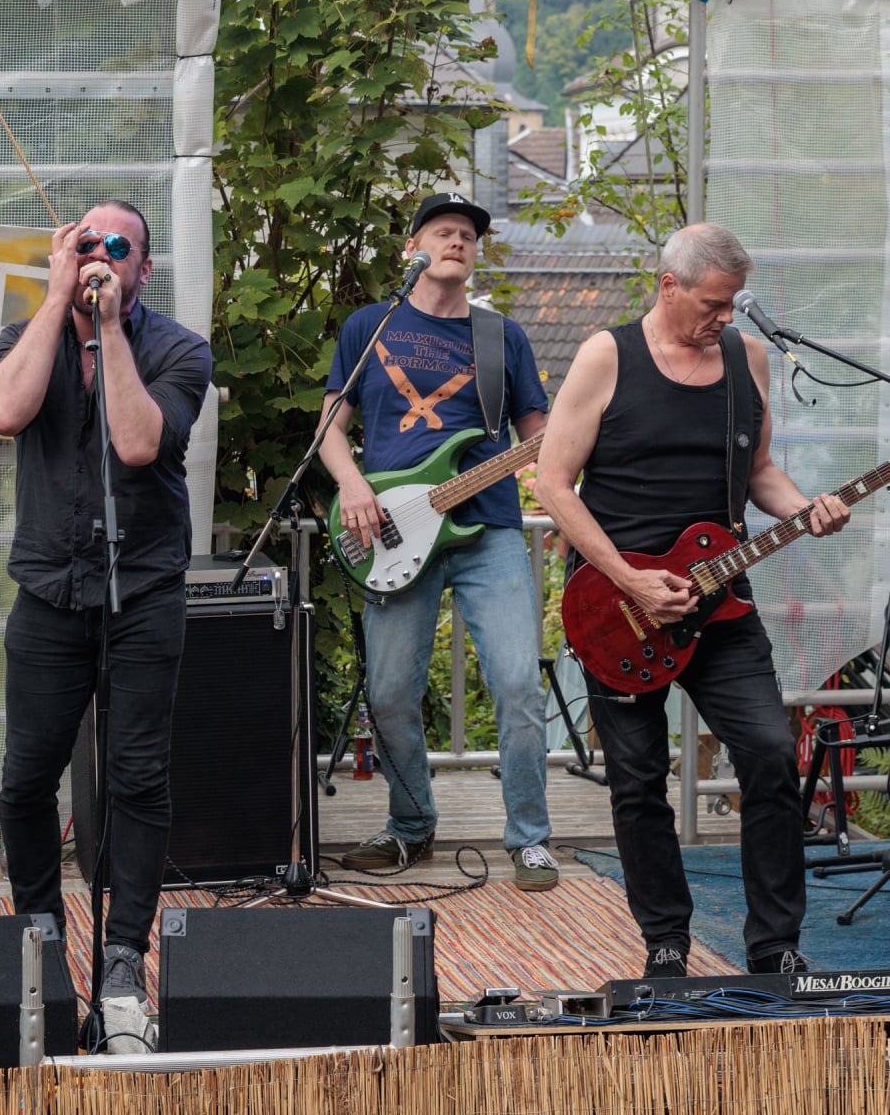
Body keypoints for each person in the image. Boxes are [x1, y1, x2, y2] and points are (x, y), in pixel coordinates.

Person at [533, 221, 850, 978]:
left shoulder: (747, 359)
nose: (725, 317)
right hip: (617, 605)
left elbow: (759, 471)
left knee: (770, 756)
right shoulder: (606, 356)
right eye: (713, 303)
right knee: (639, 778)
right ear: (668, 286)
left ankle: (774, 945)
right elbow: (551, 484)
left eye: (733, 303)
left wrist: (806, 508)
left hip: (722, 598)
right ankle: (666, 941)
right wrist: (629, 578)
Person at [0, 200, 212, 1052]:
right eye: (88, 243)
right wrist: (57, 299)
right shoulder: (25, 337)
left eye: (120, 247)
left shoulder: (179, 349)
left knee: (136, 779)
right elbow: (3, 413)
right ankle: (41, 944)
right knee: (25, 781)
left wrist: (109, 328)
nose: (101, 256)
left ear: (144, 268)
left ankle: (122, 961)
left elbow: (141, 444)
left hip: (142, 591)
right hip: (48, 591)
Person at [319, 192, 559, 890]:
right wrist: (352, 484)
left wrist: (570, 446)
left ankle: (530, 840)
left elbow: (540, 437)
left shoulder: (501, 336)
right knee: (391, 691)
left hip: (489, 528)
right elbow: (330, 428)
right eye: (443, 231)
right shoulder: (370, 325)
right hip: (392, 528)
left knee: (517, 683)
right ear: (412, 249)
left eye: (468, 236)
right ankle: (410, 827)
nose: (457, 241)